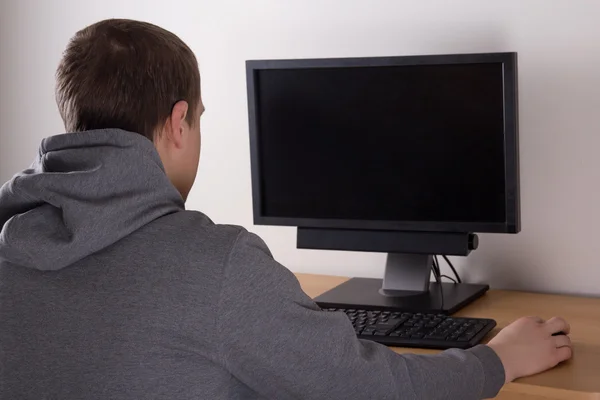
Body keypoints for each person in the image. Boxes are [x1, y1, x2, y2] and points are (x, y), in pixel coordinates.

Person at [0, 19, 572, 400]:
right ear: (179, 122)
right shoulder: (215, 267)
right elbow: (373, 388)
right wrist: (499, 360)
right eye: (198, 117)